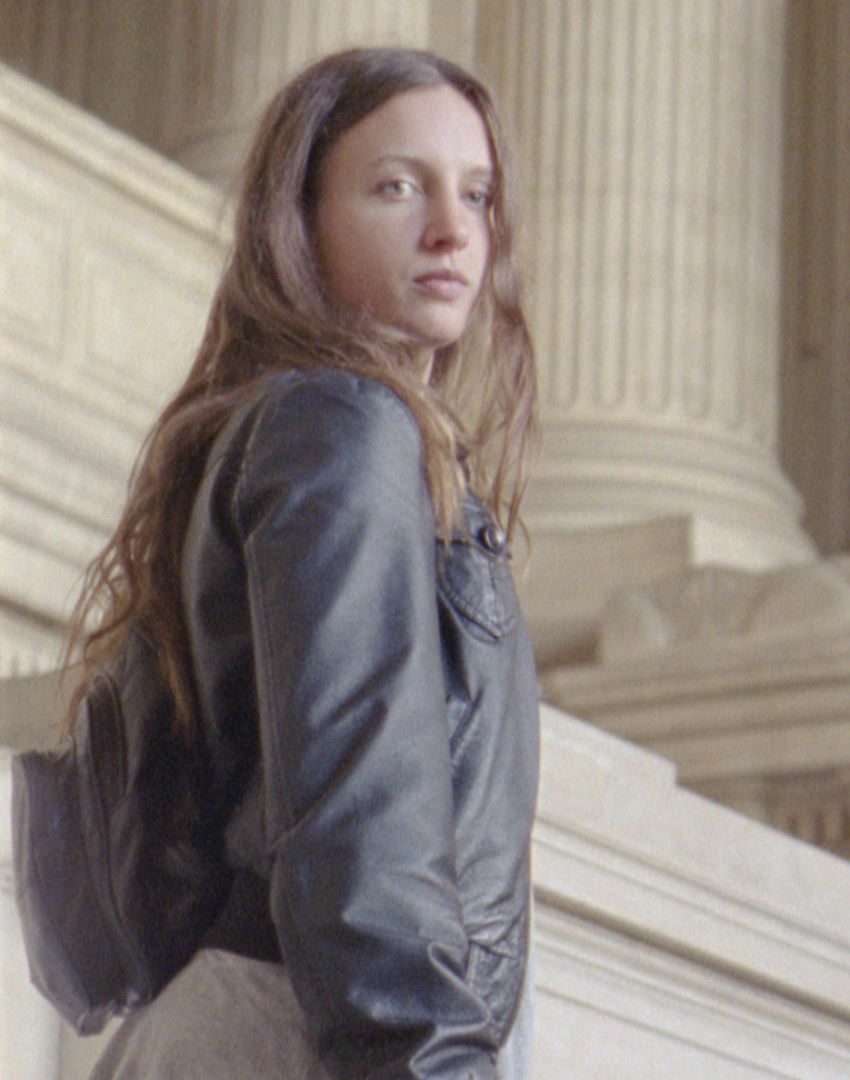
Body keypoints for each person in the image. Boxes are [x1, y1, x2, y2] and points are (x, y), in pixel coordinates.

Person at [63, 47, 540, 1080]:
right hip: (309, 1031)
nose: (453, 230)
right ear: (302, 219)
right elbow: (363, 820)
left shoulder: (313, 430)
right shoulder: (344, 424)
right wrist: (429, 1061)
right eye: (397, 187)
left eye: (477, 193)